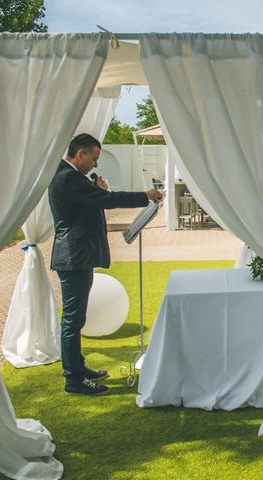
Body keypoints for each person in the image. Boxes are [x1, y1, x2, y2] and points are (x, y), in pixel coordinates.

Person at [49, 133, 163, 396]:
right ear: (80, 154)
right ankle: (73, 379)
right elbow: (107, 201)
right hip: (73, 256)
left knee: (77, 317)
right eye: (94, 158)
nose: (95, 165)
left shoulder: (72, 177)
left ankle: (78, 367)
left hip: (77, 255)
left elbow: (91, 204)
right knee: (72, 320)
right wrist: (144, 195)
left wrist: (97, 193)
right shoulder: (68, 177)